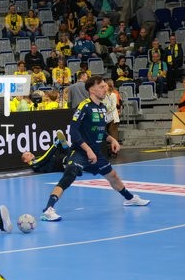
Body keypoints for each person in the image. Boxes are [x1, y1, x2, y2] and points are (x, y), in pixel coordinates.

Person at [40, 76, 150, 222]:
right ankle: (48, 210)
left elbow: (100, 130)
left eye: (106, 86)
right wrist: (87, 150)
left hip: (96, 153)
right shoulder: (84, 106)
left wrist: (112, 139)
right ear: (92, 89)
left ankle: (130, 199)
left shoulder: (102, 108)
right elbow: (73, 131)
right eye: (102, 87)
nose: (106, 89)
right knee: (69, 175)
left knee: (113, 176)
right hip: (81, 151)